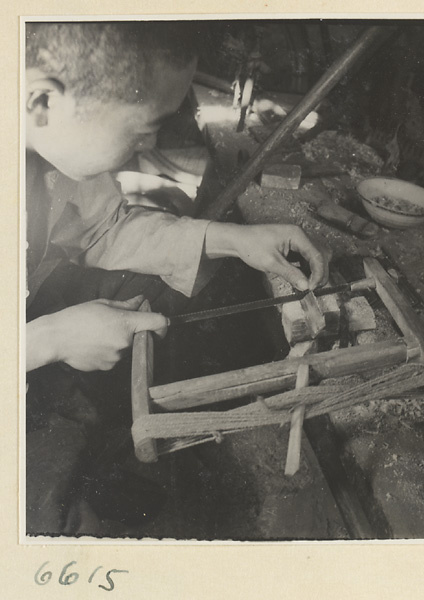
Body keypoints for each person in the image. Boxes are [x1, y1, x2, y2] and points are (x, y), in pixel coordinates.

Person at [25, 21, 330, 535]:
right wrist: (51, 339)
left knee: (154, 292)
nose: (152, 142)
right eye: (144, 126)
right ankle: (60, 507)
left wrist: (234, 240)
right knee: (45, 522)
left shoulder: (43, 144)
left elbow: (106, 226)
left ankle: (100, 461)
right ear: (43, 102)